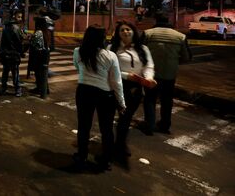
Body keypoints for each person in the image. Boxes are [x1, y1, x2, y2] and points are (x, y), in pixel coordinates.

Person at [72, 25, 126, 171]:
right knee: (106, 128)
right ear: (103, 38)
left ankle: (81, 155)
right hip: (104, 94)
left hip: (84, 90)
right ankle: (106, 159)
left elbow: (77, 68)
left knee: (84, 125)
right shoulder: (110, 56)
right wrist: (121, 102)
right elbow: (116, 81)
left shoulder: (78, 52)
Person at [108, 21, 155, 157]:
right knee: (110, 116)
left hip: (135, 88)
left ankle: (120, 143)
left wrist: (148, 78)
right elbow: (109, 69)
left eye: (128, 29)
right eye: (122, 30)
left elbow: (148, 66)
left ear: (134, 31)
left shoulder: (143, 49)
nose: (125, 32)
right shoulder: (112, 48)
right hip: (115, 85)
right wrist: (127, 76)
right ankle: (110, 144)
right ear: (118, 34)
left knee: (126, 117)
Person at [142, 14, 191, 134]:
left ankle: (150, 125)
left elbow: (139, 52)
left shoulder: (148, 33)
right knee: (167, 100)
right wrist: (174, 61)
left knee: (150, 99)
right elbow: (187, 57)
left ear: (156, 20)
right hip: (170, 74)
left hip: (151, 74)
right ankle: (165, 125)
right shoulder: (180, 36)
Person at [0, 12, 27, 97]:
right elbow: (19, 43)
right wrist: (22, 52)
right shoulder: (16, 28)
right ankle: (17, 90)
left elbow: (2, 41)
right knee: (15, 73)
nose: (20, 18)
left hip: (5, 53)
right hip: (13, 54)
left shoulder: (6, 27)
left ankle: (3, 89)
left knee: (5, 72)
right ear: (14, 17)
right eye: (19, 17)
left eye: (21, 17)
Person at [27, 16, 51, 98]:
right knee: (43, 73)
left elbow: (33, 44)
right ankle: (44, 89)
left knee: (39, 73)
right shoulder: (46, 31)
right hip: (45, 55)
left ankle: (41, 89)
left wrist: (30, 38)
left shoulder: (38, 33)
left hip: (39, 55)